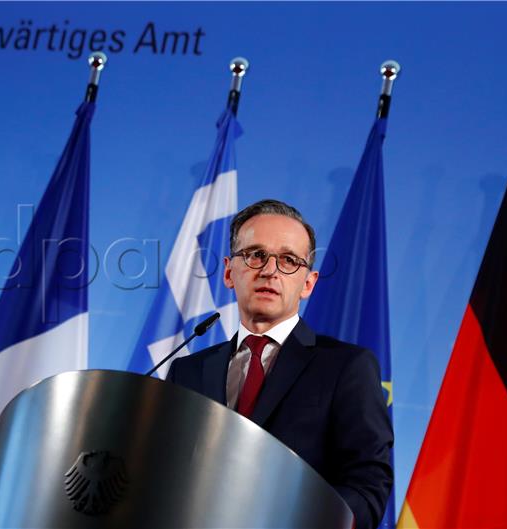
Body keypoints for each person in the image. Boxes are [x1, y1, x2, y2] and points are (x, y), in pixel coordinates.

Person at [166, 199, 393, 529]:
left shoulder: (347, 367)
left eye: (289, 260)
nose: (270, 270)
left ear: (308, 283)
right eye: (256, 255)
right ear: (229, 272)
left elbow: (368, 484)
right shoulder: (186, 372)